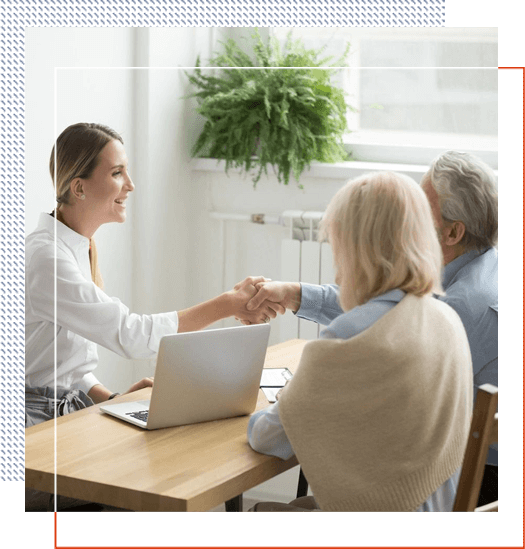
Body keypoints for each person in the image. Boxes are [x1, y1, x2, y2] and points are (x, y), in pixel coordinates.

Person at [25, 122, 282, 511]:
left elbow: (58, 362)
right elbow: (132, 335)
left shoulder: (76, 247)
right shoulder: (47, 259)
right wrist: (228, 303)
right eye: (116, 173)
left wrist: (108, 397)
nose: (130, 185)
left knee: (173, 463)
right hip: (33, 434)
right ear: (78, 187)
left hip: (63, 413)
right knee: (150, 488)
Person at [244, 151, 498, 508]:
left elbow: (270, 435)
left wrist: (287, 398)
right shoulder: (451, 304)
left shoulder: (459, 307)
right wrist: (298, 295)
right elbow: (386, 313)